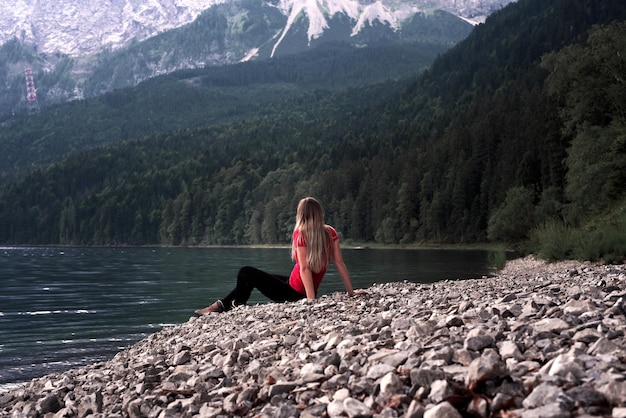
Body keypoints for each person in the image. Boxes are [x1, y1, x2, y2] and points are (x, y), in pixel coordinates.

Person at [194, 197, 360, 315]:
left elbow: (304, 268)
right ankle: (221, 305)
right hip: (297, 286)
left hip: (293, 293)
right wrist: (351, 292)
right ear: (319, 213)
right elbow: (340, 263)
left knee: (246, 272)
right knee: (252, 278)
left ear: (301, 214)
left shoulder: (301, 233)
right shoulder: (330, 232)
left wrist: (311, 301)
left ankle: (236, 306)